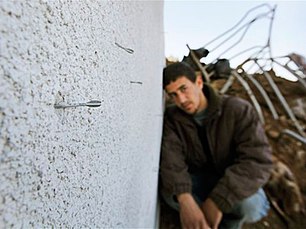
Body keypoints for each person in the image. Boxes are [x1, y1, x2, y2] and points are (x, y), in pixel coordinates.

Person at [160, 62, 273, 229]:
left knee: (251, 206)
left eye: (184, 89)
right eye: (173, 95)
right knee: (171, 194)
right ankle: (201, 219)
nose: (181, 100)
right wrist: (185, 199)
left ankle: (220, 219)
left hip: (232, 180)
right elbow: (172, 161)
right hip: (200, 180)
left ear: (198, 82)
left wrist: (218, 201)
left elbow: (257, 161)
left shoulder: (237, 110)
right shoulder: (173, 119)